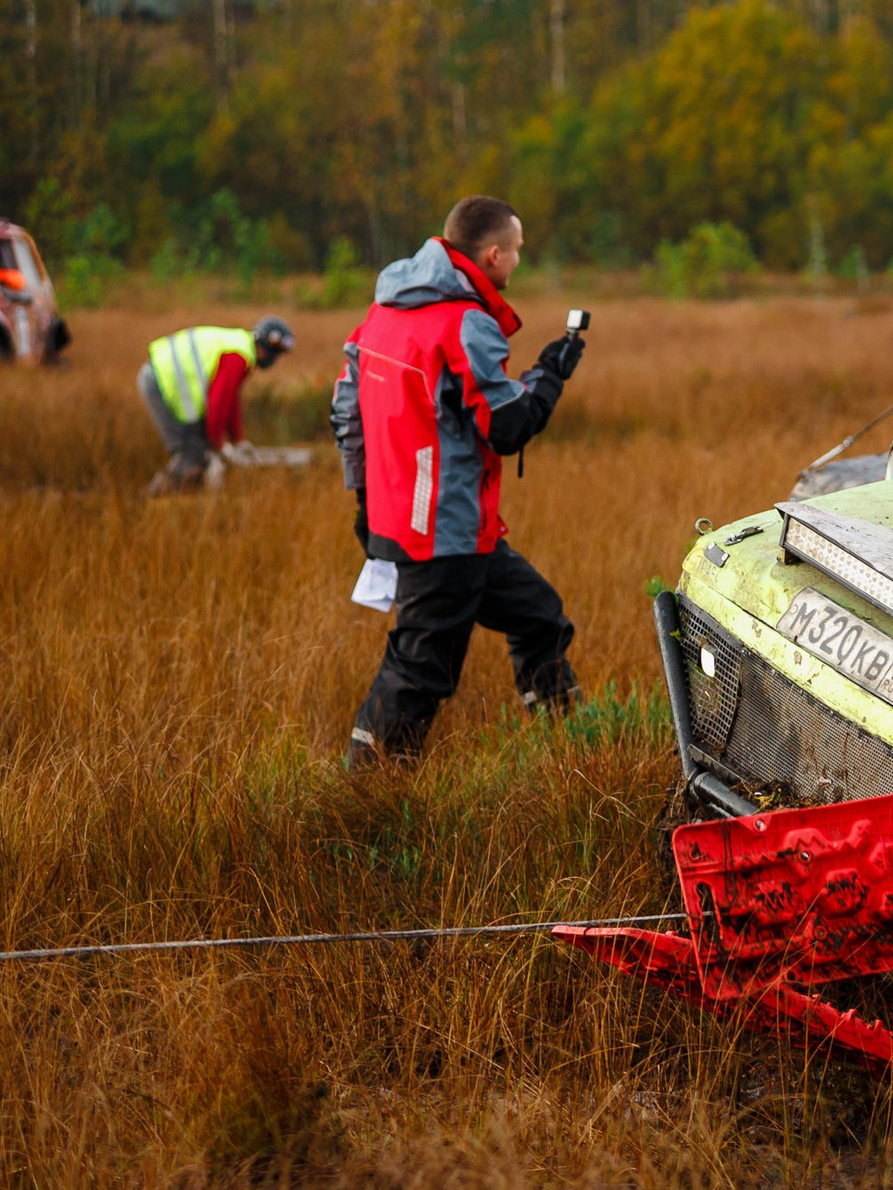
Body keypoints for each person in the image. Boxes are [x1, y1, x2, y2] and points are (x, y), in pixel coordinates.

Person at [329, 196, 588, 767]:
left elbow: (347, 412)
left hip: (427, 523)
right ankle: (367, 789)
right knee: (421, 667)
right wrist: (549, 375)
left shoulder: (383, 313)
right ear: (493, 255)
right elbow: (506, 426)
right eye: (517, 251)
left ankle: (570, 742)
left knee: (539, 614)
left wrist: (366, 501)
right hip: (442, 532)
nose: (518, 262)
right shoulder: (463, 322)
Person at [137, 317, 295, 494]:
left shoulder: (240, 349)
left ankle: (190, 497)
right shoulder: (237, 357)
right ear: (266, 346)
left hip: (161, 377)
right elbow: (218, 403)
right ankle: (152, 499)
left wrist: (238, 440)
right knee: (191, 452)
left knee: (199, 449)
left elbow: (230, 400)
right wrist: (217, 443)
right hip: (160, 381)